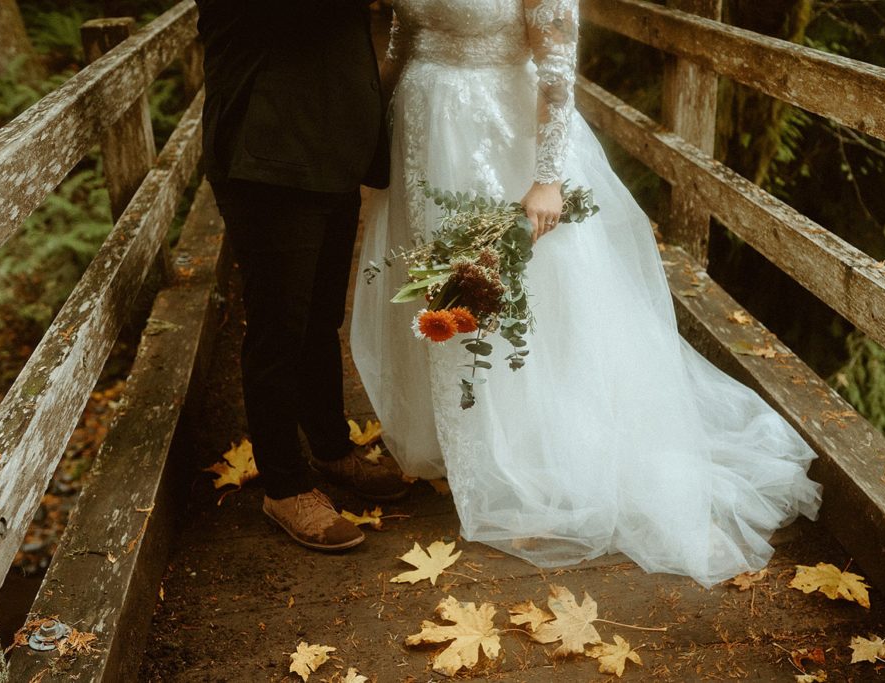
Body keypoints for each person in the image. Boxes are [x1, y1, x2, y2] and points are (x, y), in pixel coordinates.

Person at [350, 0, 824, 588]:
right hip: (423, 130)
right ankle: (453, 437)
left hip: (499, 132)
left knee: (516, 292)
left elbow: (556, 66)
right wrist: (373, 123)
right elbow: (401, 39)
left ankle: (524, 450)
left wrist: (547, 176)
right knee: (438, 284)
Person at [194, 0, 408, 553]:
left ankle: (331, 448)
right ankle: (284, 485)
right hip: (267, 152)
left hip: (326, 150)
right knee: (279, 326)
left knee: (318, 318)